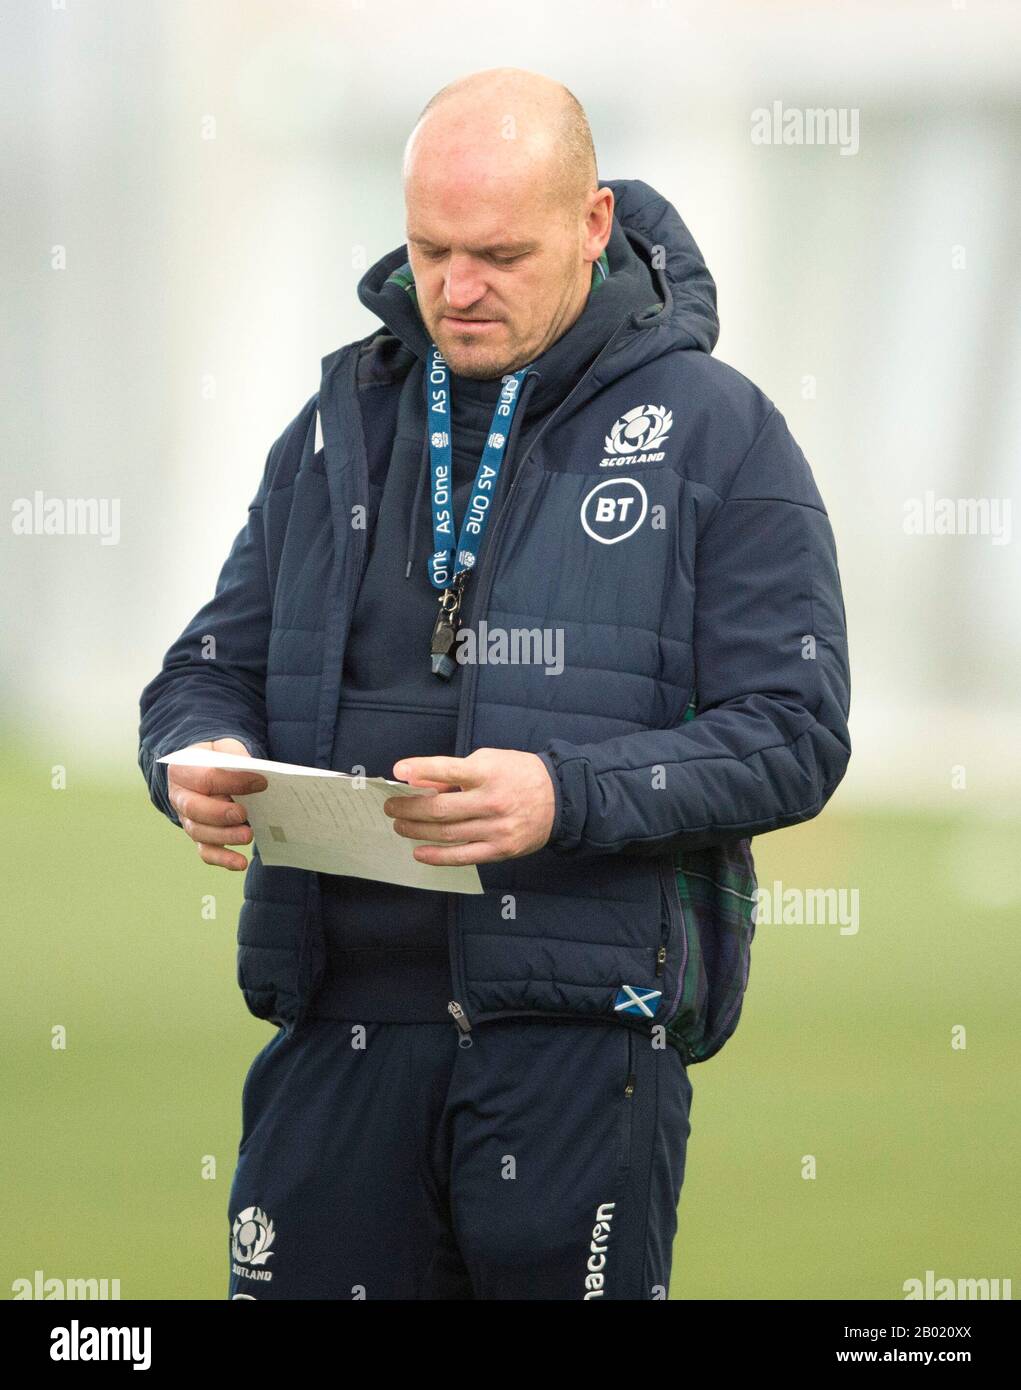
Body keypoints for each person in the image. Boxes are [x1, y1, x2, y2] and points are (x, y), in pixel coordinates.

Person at [138, 66, 851, 1301]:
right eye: (429, 249)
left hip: (578, 1043)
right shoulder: (334, 423)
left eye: (498, 254)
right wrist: (195, 755)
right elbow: (208, 665)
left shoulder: (719, 430)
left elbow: (795, 729)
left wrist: (562, 795)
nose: (456, 289)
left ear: (592, 224)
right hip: (333, 1031)